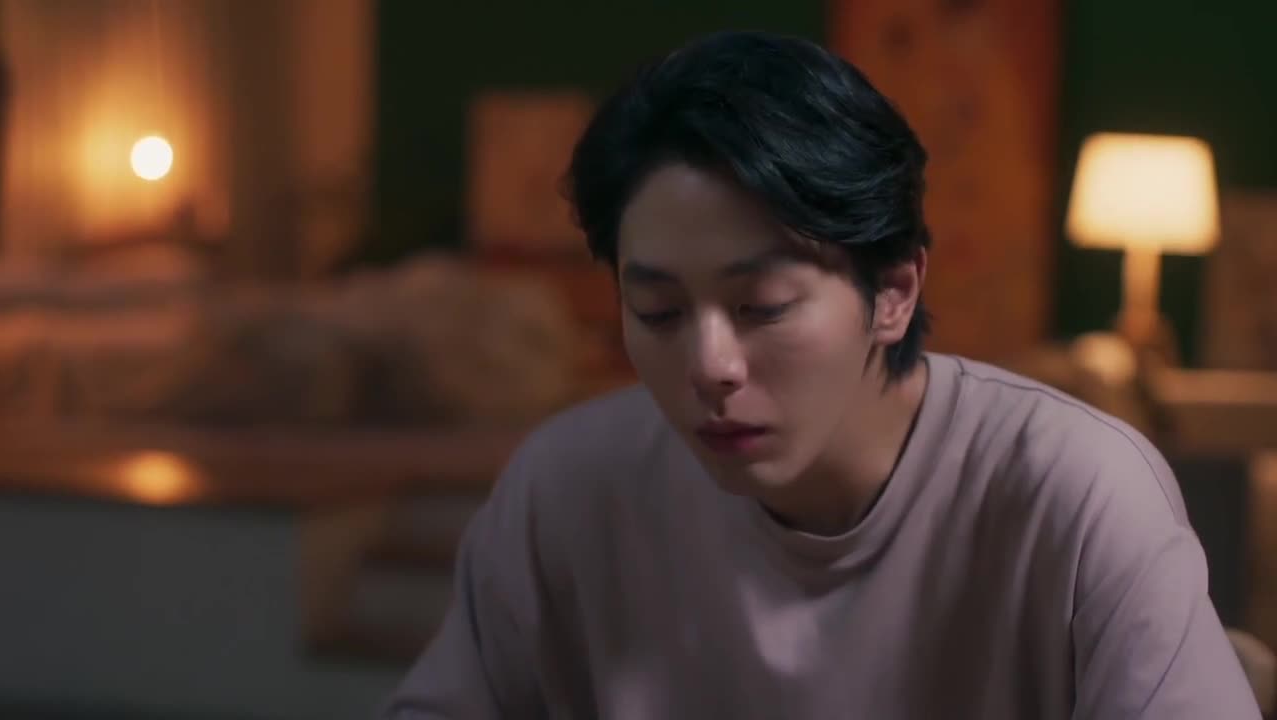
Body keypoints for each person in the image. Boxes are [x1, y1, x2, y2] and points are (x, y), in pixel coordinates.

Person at [384, 30, 1259, 719]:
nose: (710, 367)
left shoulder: (1075, 491)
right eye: (658, 312)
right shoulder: (568, 486)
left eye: (763, 306)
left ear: (894, 292)